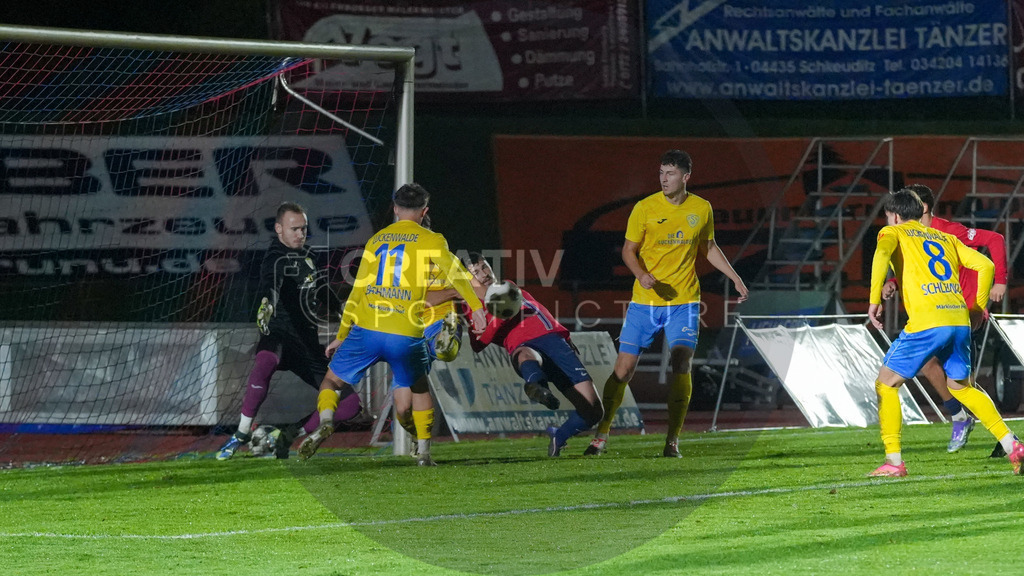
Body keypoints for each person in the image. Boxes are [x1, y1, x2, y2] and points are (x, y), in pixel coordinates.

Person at [297, 183, 487, 466]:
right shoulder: (432, 240)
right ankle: (423, 453)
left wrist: (341, 335)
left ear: (396, 209)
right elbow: (457, 276)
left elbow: (357, 292)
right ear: (424, 212)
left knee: (332, 380)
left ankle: (326, 421)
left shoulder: (376, 241)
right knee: (420, 387)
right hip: (405, 329)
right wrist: (476, 307)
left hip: (368, 327)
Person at [584, 149, 749, 458]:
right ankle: (602, 432)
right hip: (644, 303)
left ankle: (672, 440)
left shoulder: (701, 208)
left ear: (685, 177)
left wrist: (735, 277)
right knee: (623, 370)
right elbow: (628, 251)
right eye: (661, 173)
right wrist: (641, 275)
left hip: (684, 301)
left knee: (681, 362)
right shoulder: (644, 208)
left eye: (670, 174)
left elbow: (709, 247)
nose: (663, 178)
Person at [867, 188, 1023, 477]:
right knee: (961, 387)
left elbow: (880, 256)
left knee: (886, 383)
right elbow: (985, 264)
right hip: (958, 318)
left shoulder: (892, 233)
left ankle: (894, 461)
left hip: (927, 321)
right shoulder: (945, 237)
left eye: (888, 216)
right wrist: (976, 306)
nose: (888, 221)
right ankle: (1011, 443)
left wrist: (874, 300)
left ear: (897, 216)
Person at [216, 202, 365, 460]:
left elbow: (321, 289)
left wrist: (342, 310)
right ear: (278, 229)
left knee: (351, 405)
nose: (300, 234)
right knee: (264, 361)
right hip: (279, 337)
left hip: (306, 344)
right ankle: (241, 433)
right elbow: (271, 284)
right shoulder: (274, 257)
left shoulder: (309, 256)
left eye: (304, 229)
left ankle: (287, 434)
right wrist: (266, 305)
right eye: (294, 229)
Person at [454, 252, 604, 457]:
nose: (483, 274)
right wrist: (500, 317)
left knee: (593, 410)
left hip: (555, 342)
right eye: (475, 272)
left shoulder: (507, 285)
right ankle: (536, 386)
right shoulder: (471, 306)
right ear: (467, 279)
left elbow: (539, 308)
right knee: (526, 355)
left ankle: (558, 436)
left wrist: (565, 336)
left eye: (485, 267)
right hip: (523, 345)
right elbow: (477, 343)